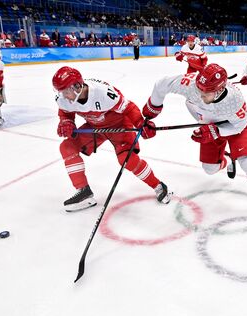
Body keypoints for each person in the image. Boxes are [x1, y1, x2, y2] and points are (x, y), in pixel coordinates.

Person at [141, 63, 247, 215]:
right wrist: (151, 113)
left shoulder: (234, 99)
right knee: (210, 169)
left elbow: (240, 125)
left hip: (235, 128)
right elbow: (162, 84)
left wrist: (215, 131)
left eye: (206, 93)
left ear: (219, 91)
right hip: (209, 127)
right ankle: (229, 159)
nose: (200, 95)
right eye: (200, 90)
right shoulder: (191, 84)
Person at [52, 66, 172, 212]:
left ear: (77, 86)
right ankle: (84, 192)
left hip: (119, 126)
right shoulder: (63, 99)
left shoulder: (103, 93)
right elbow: (65, 112)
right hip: (95, 127)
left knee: (127, 159)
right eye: (61, 92)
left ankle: (158, 186)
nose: (63, 96)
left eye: (65, 91)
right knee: (67, 147)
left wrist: (141, 123)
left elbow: (129, 108)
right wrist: (66, 122)